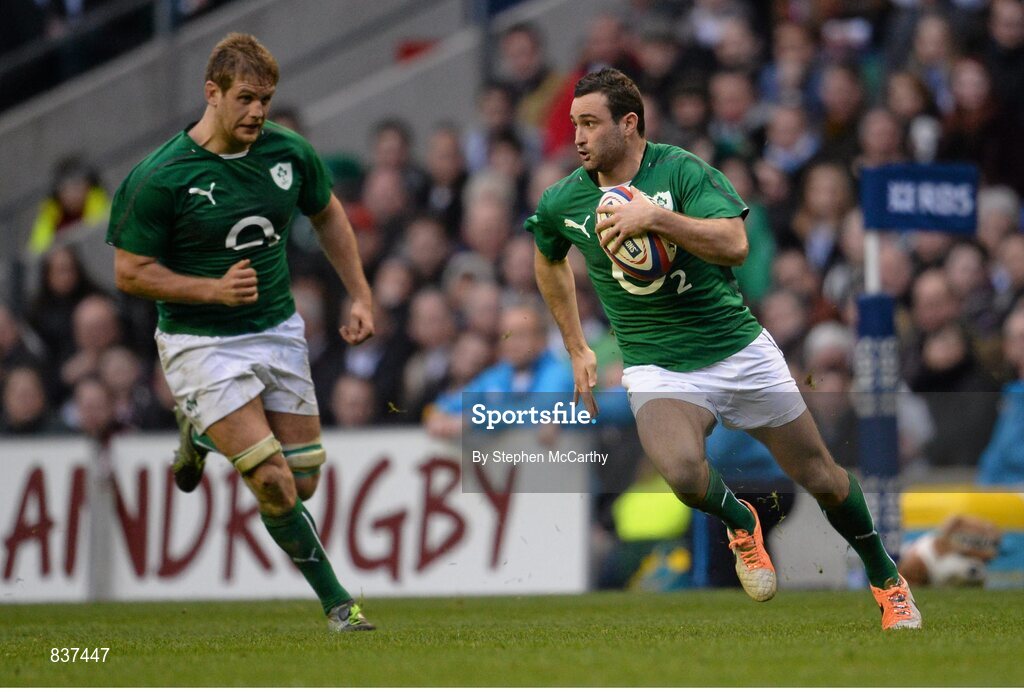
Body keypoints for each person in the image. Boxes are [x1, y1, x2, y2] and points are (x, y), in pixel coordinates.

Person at [526, 68, 921, 630]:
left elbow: (735, 244)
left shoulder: (682, 171)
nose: (579, 137)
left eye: (590, 124)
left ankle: (887, 578)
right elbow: (546, 256)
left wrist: (655, 217)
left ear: (629, 123)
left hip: (737, 351)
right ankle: (741, 521)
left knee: (823, 477)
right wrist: (576, 346)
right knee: (683, 473)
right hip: (657, 365)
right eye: (574, 125)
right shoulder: (564, 199)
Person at [106, 33, 375, 632]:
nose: (258, 111)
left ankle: (197, 432)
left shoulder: (287, 152)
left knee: (303, 482)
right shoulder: (160, 177)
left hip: (277, 329)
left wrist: (360, 292)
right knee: (273, 481)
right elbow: (128, 272)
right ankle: (339, 605)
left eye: (267, 100)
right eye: (247, 98)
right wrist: (210, 290)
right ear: (213, 93)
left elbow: (327, 211)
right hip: (199, 341)